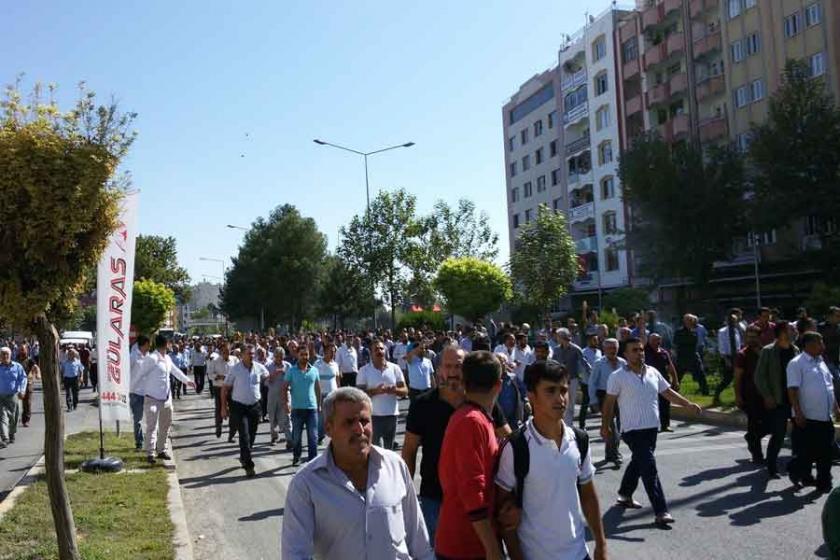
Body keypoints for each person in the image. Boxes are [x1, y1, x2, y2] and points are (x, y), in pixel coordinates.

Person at [281, 387, 434, 559]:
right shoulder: (306, 484)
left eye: (364, 420)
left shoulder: (395, 466)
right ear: (328, 428)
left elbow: (419, 540)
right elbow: (295, 554)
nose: (359, 429)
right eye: (349, 422)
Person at [496, 360, 607, 560]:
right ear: (531, 395)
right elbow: (504, 515)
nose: (560, 398)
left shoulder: (579, 440)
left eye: (563, 390)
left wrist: (601, 544)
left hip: (579, 554)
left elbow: (588, 496)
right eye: (550, 391)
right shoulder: (516, 446)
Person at [600, 337, 702, 526]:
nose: (639, 353)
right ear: (625, 354)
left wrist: (688, 404)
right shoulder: (617, 377)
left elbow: (668, 393)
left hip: (651, 428)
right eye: (634, 350)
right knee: (649, 467)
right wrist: (605, 426)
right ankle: (661, 510)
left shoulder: (653, 372)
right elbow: (609, 403)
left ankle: (624, 495)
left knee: (639, 462)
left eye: (641, 349)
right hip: (631, 430)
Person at [436, 350, 504, 560]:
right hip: (464, 546)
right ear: (498, 386)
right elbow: (472, 490)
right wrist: (492, 548)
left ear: (464, 382)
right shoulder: (471, 422)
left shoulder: (477, 418)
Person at [786, 332, 839, 492]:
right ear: (808, 345)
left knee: (826, 451)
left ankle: (824, 481)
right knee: (807, 453)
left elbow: (828, 387)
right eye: (819, 342)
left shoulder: (821, 362)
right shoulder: (796, 363)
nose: (822, 345)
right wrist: (798, 413)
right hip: (807, 417)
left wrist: (835, 406)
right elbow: (792, 390)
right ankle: (796, 470)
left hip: (825, 416)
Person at [135, 335, 195, 464]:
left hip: (166, 398)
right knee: (152, 427)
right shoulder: (152, 358)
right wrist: (133, 390)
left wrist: (187, 381)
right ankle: (150, 453)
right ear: (166, 344)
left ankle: (161, 450)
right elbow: (140, 375)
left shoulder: (167, 358)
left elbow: (175, 371)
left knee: (165, 426)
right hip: (152, 398)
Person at [754, 321, 799, 479]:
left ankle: (797, 466)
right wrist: (767, 395)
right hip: (778, 400)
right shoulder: (768, 351)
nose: (794, 332)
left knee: (799, 434)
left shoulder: (796, 350)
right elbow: (760, 377)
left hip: (795, 401)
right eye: (790, 330)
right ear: (781, 333)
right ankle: (771, 466)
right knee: (778, 435)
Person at [220, 345, 269, 477]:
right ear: (242, 355)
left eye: (253, 354)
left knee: (251, 436)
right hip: (239, 407)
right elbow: (224, 389)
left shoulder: (259, 368)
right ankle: (249, 465)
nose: (252, 356)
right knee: (244, 435)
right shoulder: (235, 370)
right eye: (249, 354)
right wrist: (224, 407)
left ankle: (244, 456)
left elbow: (268, 378)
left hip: (255, 407)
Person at [357, 339, 407, 451]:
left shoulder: (395, 368)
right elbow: (359, 395)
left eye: (381, 348)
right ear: (371, 353)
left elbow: (405, 390)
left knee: (389, 451)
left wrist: (394, 390)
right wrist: (376, 391)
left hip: (392, 415)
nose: (379, 351)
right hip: (373, 417)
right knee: (375, 450)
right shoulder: (364, 371)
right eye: (376, 349)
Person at [734, 326, 767, 464]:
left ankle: (751, 438)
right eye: (749, 337)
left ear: (760, 337)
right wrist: (738, 396)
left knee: (769, 424)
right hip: (750, 395)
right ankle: (757, 456)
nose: (751, 340)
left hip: (767, 394)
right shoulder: (742, 355)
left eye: (754, 337)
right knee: (754, 425)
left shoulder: (766, 352)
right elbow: (737, 378)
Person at [284, 345, 321, 466]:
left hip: (312, 408)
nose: (305, 357)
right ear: (297, 355)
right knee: (297, 436)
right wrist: (286, 403)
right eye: (302, 355)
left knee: (313, 436)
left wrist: (319, 404)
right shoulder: (291, 371)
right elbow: (284, 388)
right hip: (297, 408)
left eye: (306, 355)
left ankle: (313, 459)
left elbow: (318, 388)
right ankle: (297, 456)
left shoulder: (314, 370)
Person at [589, 339, 625, 465]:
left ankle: (610, 453)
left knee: (620, 426)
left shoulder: (623, 363)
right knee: (611, 427)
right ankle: (615, 454)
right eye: (609, 348)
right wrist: (593, 401)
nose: (612, 350)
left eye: (614, 347)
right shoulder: (599, 363)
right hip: (605, 396)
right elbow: (592, 383)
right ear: (604, 350)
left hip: (621, 397)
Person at [552, 328, 592, 428]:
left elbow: (584, 363)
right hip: (560, 380)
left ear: (562, 337)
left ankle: (568, 425)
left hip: (573, 379)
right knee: (562, 402)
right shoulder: (556, 350)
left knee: (571, 403)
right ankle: (564, 424)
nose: (557, 338)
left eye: (558, 336)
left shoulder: (575, 349)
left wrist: (591, 374)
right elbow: (553, 363)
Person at [644, 333, 679, 433]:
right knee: (651, 404)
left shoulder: (664, 352)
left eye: (658, 340)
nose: (657, 342)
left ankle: (665, 425)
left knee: (665, 404)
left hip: (663, 381)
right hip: (648, 382)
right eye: (654, 340)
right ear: (649, 341)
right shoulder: (644, 352)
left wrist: (675, 380)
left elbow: (670, 367)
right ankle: (649, 425)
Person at [207, 341, 239, 439]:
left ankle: (232, 433)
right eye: (224, 351)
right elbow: (210, 374)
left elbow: (239, 372)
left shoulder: (235, 360)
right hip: (219, 388)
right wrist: (219, 376)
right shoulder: (215, 361)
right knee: (219, 408)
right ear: (221, 352)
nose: (226, 353)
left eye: (228, 351)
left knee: (234, 410)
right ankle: (218, 426)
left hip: (231, 388)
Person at [673, 314, 709, 396]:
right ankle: (673, 392)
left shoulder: (694, 332)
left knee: (701, 374)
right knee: (678, 376)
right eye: (689, 320)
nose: (691, 322)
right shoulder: (679, 332)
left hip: (693, 356)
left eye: (692, 320)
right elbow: (676, 343)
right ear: (685, 321)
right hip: (682, 357)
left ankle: (705, 391)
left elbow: (696, 343)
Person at [0, 347, 27, 448]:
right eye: (2, 354)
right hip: (1, 396)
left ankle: (11, 433)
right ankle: (5, 438)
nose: (5, 356)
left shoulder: (17, 366)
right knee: (2, 416)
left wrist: (22, 390)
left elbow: (23, 379)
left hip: (13, 396)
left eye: (6, 354)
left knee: (14, 417)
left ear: (10, 355)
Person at [266, 347, 293, 448]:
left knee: (286, 416)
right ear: (274, 356)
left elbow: (292, 380)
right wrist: (274, 374)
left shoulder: (288, 366)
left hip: (285, 394)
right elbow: (265, 382)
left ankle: (289, 439)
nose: (279, 359)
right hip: (272, 395)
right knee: (272, 417)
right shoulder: (269, 366)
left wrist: (284, 372)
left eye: (281, 356)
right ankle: (274, 436)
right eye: (277, 356)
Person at [716, 313, 743, 405]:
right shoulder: (722, 331)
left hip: (736, 356)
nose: (734, 323)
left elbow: (738, 344)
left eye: (735, 321)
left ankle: (739, 398)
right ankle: (716, 396)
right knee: (727, 379)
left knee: (739, 378)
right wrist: (726, 359)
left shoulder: (736, 331)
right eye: (732, 321)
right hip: (727, 357)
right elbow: (722, 346)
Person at [314, 342, 339, 444]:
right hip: (322, 394)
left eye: (334, 352)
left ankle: (334, 435)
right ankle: (319, 436)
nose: (333, 354)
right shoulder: (318, 364)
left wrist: (339, 392)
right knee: (321, 418)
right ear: (325, 352)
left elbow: (337, 379)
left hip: (333, 394)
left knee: (333, 416)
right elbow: (315, 381)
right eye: (331, 352)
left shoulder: (335, 364)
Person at [129, 335, 151, 450]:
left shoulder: (148, 357)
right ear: (144, 344)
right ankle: (139, 442)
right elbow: (126, 372)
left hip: (148, 392)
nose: (149, 347)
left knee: (150, 419)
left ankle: (151, 441)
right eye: (148, 344)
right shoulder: (133, 356)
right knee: (138, 419)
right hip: (136, 393)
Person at [580, 334, 601, 430]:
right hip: (587, 382)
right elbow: (582, 366)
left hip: (598, 382)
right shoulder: (583, 352)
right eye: (594, 340)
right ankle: (582, 424)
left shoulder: (599, 352)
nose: (596, 342)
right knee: (585, 403)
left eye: (597, 340)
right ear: (588, 341)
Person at [17, 345, 39, 428]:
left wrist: (37, 374)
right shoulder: (16, 359)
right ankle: (16, 418)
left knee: (27, 402)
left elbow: (36, 367)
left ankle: (26, 420)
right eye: (21, 350)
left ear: (27, 350)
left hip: (28, 383)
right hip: (17, 383)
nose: (22, 351)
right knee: (17, 402)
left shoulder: (30, 360)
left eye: (23, 349)